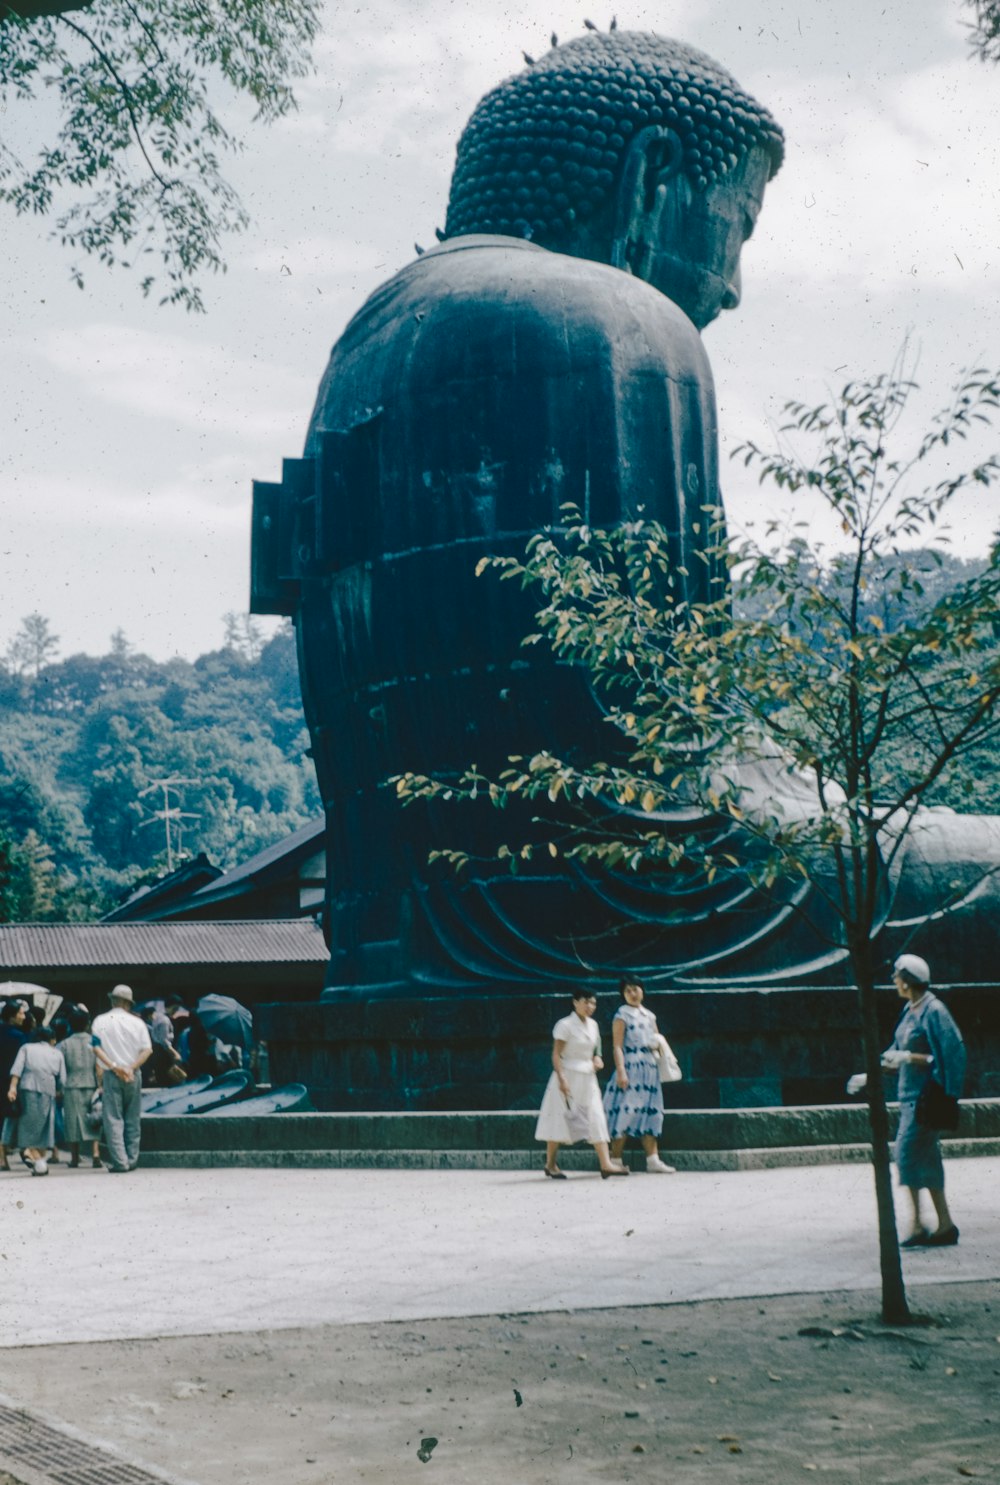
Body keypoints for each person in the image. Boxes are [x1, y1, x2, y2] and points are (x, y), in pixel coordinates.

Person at [884, 954, 966, 1248]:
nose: (893, 981)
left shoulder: (933, 1010)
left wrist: (911, 1058)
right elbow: (896, 1050)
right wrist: (874, 1070)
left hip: (925, 1101)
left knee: (906, 1155)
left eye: (896, 976)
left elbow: (946, 1054)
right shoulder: (910, 1011)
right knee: (926, 1159)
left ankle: (920, 1223)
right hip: (909, 1099)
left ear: (907, 980)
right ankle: (943, 1224)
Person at [534, 991, 629, 1179]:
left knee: (595, 1114)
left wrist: (598, 1059)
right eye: (586, 1002)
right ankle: (551, 1164)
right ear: (575, 1002)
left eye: (593, 1003)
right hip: (567, 1074)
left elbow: (597, 1049)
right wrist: (561, 1078)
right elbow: (556, 1054)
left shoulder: (593, 1025)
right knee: (559, 1118)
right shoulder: (564, 1025)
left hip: (588, 1077)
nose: (590, 1007)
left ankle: (606, 1164)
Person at [602, 978, 676, 1174]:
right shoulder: (622, 1015)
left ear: (642, 991)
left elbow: (656, 1040)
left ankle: (653, 1159)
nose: (633, 994)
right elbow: (617, 1045)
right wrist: (620, 1070)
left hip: (649, 1068)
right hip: (631, 1066)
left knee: (651, 1112)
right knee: (625, 1112)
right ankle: (615, 1159)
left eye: (635, 989)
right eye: (628, 991)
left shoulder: (650, 1016)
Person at [91, 984, 152, 1174]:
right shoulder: (138, 1023)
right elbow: (147, 1050)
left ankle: (120, 1162)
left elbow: (95, 1048)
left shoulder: (100, 1020)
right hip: (133, 1074)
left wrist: (116, 1067)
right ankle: (132, 1159)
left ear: (113, 1000)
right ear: (128, 1002)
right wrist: (130, 1068)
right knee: (133, 1118)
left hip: (112, 1073)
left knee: (113, 1119)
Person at [6, 1024, 65, 1175]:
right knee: (44, 1126)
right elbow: (62, 1079)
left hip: (28, 1087)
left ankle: (38, 1161)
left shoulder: (26, 1048)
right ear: (51, 1039)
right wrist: (59, 1090)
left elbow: (17, 1069)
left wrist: (12, 1088)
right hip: (48, 1089)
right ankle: (39, 1161)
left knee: (27, 1124)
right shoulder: (56, 1053)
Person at [60, 1006, 102, 1169]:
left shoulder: (65, 1044)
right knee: (94, 1119)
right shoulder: (94, 1041)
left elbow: (61, 1067)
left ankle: (74, 1157)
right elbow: (99, 1067)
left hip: (71, 1085)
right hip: (91, 1083)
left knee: (72, 1121)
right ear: (87, 1024)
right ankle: (96, 1153)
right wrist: (100, 1085)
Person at [0, 999, 29, 1171]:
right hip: (12, 1082)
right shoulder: (19, 1037)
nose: (24, 1016)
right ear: (12, 1016)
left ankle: (2, 1158)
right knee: (12, 1117)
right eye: (21, 1013)